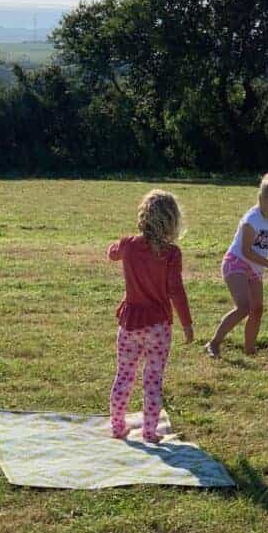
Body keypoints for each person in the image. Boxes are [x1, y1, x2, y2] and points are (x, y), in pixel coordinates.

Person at [107, 189, 194, 443]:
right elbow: (176, 291)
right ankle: (149, 432)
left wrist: (114, 249)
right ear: (172, 222)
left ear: (143, 217)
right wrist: (187, 324)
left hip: (130, 323)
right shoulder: (171, 254)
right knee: (153, 380)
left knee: (124, 374)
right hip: (158, 327)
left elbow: (113, 254)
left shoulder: (129, 245)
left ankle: (117, 425)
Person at [206, 173, 268, 359]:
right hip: (236, 263)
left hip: (255, 268)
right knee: (244, 306)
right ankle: (213, 343)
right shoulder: (251, 220)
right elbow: (246, 252)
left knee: (257, 308)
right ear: (260, 197)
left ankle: (250, 349)